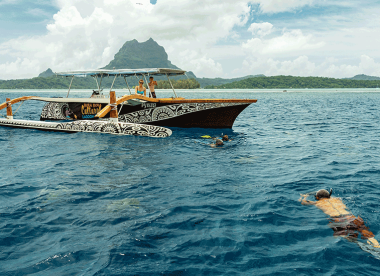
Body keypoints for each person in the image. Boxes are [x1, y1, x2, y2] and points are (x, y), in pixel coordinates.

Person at [299, 189, 380, 248]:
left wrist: (304, 196)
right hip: (352, 217)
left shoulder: (317, 202)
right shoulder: (337, 199)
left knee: (345, 236)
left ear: (318, 197)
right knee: (367, 233)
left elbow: (303, 202)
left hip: (338, 220)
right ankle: (376, 245)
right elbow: (328, 197)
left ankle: (358, 243)